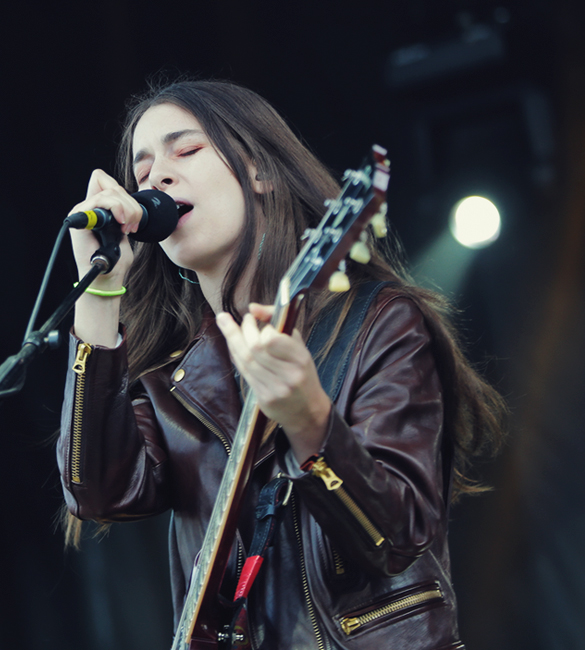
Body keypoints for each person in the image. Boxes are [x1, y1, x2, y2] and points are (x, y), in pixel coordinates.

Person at [57, 80, 506, 649]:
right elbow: (98, 491)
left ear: (261, 172)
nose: (156, 178)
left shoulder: (380, 325)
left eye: (186, 150)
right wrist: (99, 295)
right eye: (141, 171)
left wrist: (309, 420)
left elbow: (395, 537)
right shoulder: (176, 380)